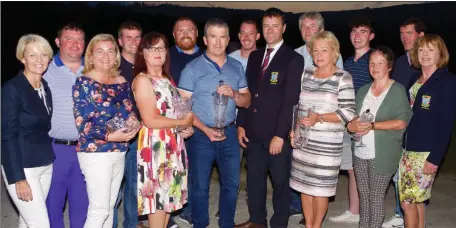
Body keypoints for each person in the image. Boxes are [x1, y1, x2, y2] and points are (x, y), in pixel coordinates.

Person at [178, 18, 251, 228]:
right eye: (213, 36)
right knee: (200, 186)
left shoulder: (236, 67)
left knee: (232, 184)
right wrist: (205, 129)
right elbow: (183, 108)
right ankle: (199, 223)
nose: (218, 42)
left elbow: (247, 100)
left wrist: (236, 94)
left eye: (222, 37)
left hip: (229, 132)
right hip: (201, 135)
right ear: (205, 39)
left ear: (228, 39)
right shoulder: (192, 69)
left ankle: (226, 223)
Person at [235, 8, 303, 228]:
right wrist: (241, 124)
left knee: (281, 183)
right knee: (254, 182)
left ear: (283, 28)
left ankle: (279, 223)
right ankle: (257, 221)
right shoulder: (255, 56)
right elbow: (248, 93)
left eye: (275, 26)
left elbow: (290, 101)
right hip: (253, 131)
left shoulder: (293, 58)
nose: (270, 30)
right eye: (266, 26)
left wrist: (280, 135)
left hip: (276, 134)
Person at [72, 34, 139, 227]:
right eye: (100, 51)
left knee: (110, 206)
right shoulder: (84, 82)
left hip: (119, 150)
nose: (106, 56)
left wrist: (134, 123)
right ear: (90, 55)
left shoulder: (121, 80)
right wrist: (110, 135)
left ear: (116, 55)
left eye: (111, 51)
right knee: (99, 209)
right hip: (95, 152)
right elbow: (83, 123)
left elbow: (129, 111)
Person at [289, 31, 355, 228]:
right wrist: (294, 131)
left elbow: (348, 113)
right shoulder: (306, 73)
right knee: (304, 187)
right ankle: (309, 224)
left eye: (324, 50)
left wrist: (320, 117)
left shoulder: (343, 77)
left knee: (320, 189)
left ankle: (315, 226)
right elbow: (298, 108)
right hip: (304, 143)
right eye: (315, 50)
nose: (319, 55)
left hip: (327, 146)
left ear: (334, 52)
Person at [133, 31, 195, 228]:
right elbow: (150, 119)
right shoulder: (143, 80)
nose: (157, 52)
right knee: (159, 201)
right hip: (156, 146)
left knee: (168, 199)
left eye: (161, 47)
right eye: (152, 48)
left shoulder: (167, 79)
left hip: (172, 143)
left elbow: (173, 114)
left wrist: (183, 128)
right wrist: (181, 123)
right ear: (143, 53)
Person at [346, 46, 412, 228]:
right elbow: (353, 118)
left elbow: (401, 122)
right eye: (372, 63)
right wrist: (351, 126)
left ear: (389, 66)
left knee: (375, 197)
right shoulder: (363, 90)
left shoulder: (397, 90)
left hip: (382, 153)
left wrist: (373, 126)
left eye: (380, 63)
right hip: (360, 151)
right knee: (364, 195)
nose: (374, 67)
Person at [399, 34, 456, 228]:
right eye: (421, 49)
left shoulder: (447, 81)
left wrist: (435, 158)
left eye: (431, 50)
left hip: (426, 152)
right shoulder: (416, 78)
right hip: (408, 149)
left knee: (407, 202)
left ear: (441, 53)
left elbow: (446, 123)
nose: (425, 54)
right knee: (416, 201)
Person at [2, 34, 54, 228]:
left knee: (27, 221)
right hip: (24, 167)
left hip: (45, 163)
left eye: (43, 54)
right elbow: (7, 136)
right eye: (32, 55)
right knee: (40, 224)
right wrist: (18, 178)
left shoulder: (44, 87)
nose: (39, 60)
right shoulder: (12, 89)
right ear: (22, 58)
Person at [329, 17, 375, 224]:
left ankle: (369, 213)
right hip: (348, 123)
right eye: (354, 32)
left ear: (371, 36)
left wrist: (365, 122)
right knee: (352, 168)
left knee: (368, 170)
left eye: (363, 31)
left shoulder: (374, 60)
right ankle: (354, 211)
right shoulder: (347, 62)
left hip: (366, 124)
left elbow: (377, 94)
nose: (357, 36)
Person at [44, 23, 89, 228]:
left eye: (79, 39)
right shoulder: (44, 69)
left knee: (82, 206)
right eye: (69, 38)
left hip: (86, 149)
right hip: (55, 149)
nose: (74, 44)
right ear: (57, 42)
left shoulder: (92, 69)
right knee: (52, 206)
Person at [382, 18, 425, 228]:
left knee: (416, 182)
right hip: (399, 127)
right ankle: (400, 214)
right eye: (402, 33)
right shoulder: (399, 62)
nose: (405, 37)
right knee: (398, 175)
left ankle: (412, 218)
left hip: (419, 130)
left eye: (409, 33)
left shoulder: (426, 63)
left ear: (421, 35)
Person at [169, 17, 203, 227]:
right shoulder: (166, 56)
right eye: (180, 31)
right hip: (172, 125)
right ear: (174, 35)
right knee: (172, 170)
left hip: (201, 124)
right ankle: (171, 211)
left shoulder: (208, 56)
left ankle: (190, 212)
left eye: (189, 29)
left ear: (197, 33)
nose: (185, 34)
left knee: (197, 172)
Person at [112, 20, 144, 228]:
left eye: (137, 37)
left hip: (140, 135)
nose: (133, 41)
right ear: (120, 40)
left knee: (134, 184)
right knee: (113, 187)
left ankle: (131, 224)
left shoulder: (145, 64)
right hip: (116, 136)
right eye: (128, 37)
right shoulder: (112, 66)